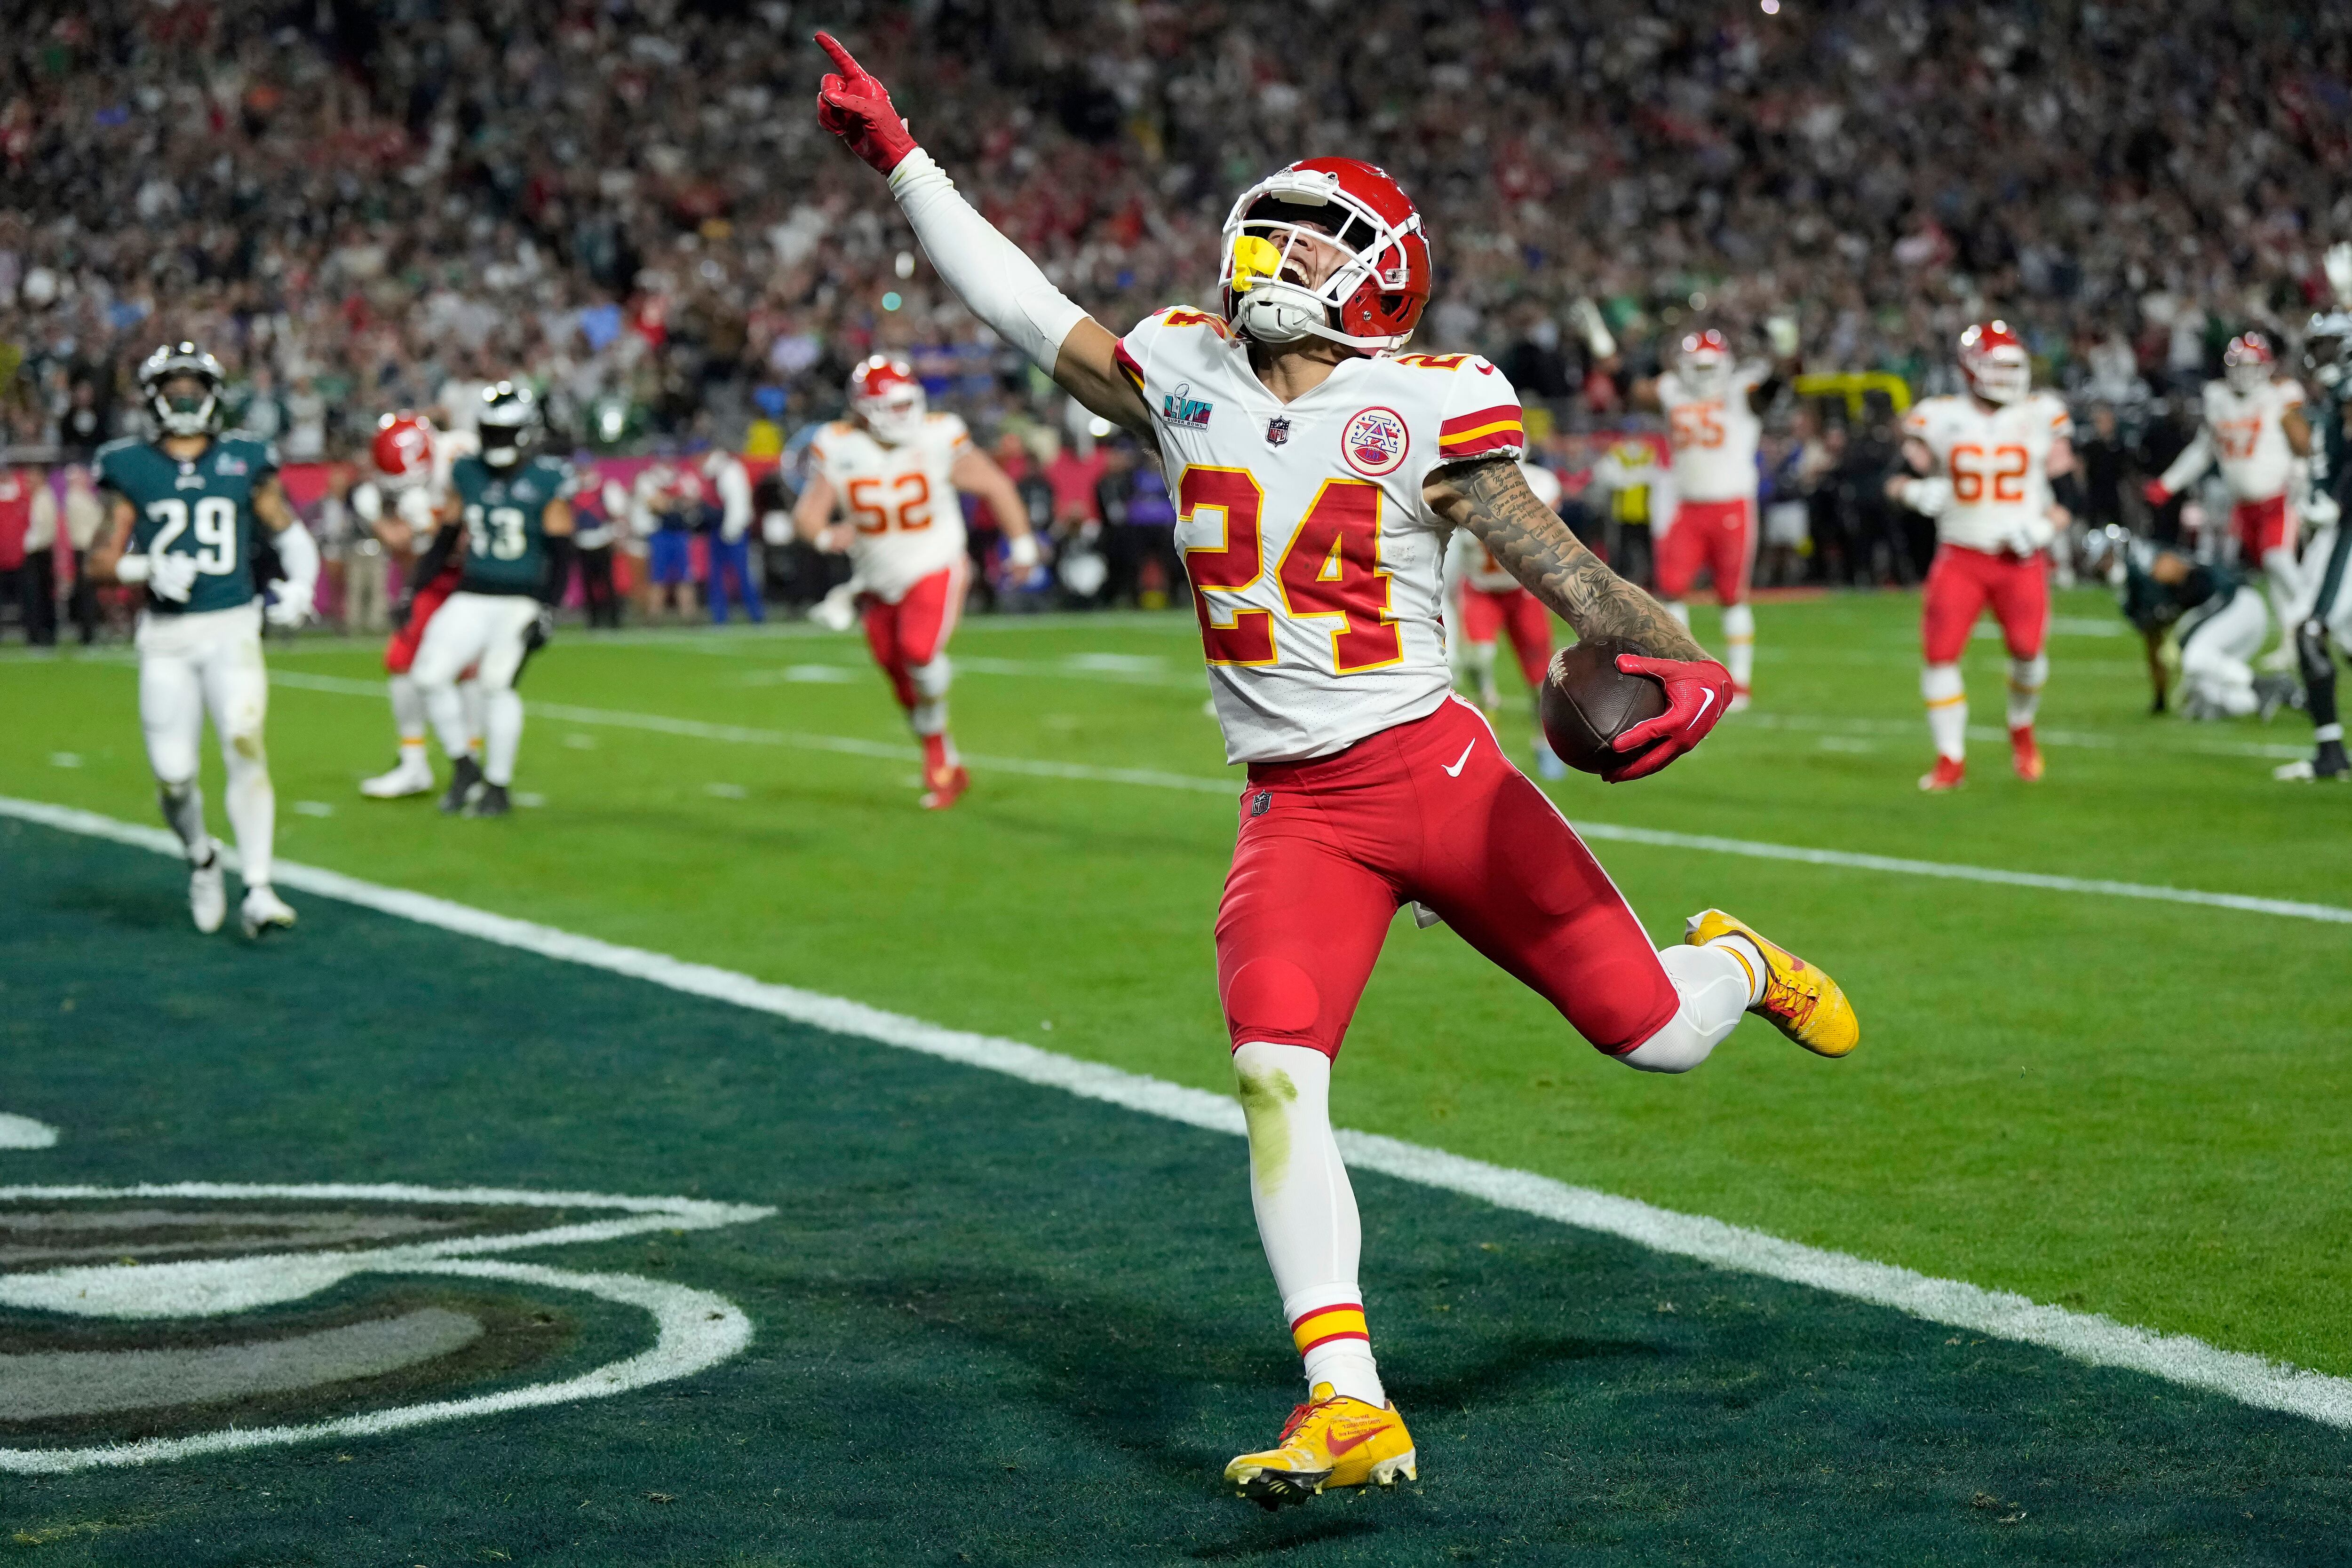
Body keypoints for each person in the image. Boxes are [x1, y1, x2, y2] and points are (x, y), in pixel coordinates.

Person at [815, 33, 1858, 1507]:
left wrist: (1675, 652)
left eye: (1313, 233)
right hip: (1294, 807)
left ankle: (1734, 964)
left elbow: (1563, 574)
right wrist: (905, 161)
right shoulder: (1180, 368)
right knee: (1271, 1070)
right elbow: (1020, 305)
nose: (1275, 247)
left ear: (1376, 271)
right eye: (1274, 221)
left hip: (1438, 776)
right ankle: (1347, 1396)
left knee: (1654, 1036)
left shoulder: (1426, 401)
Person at [84, 342, 319, 937]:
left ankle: (260, 887)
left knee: (244, 740)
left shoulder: (245, 458)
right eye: (172, 386)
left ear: (214, 393)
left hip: (231, 627)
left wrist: (301, 587)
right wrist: (145, 570)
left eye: (193, 384)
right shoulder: (130, 464)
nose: (183, 396)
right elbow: (99, 561)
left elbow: (289, 534)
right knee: (174, 774)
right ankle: (201, 856)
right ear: (153, 397)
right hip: (166, 636)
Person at [792, 353, 1038, 809]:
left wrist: (1022, 546)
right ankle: (941, 757)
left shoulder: (938, 434)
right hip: (875, 577)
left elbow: (995, 485)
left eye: (908, 405)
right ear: (862, 407)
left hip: (935, 561)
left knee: (919, 650)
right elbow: (807, 514)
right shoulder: (838, 443)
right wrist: (827, 535)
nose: (904, 417)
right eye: (892, 407)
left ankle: (938, 752)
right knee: (896, 671)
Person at [1886, 321, 2082, 792]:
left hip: (2019, 559)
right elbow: (1893, 480)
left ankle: (2021, 726)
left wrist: (2042, 526)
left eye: (2014, 365)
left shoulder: (2041, 414)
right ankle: (1949, 758)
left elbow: (2072, 496)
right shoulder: (1937, 417)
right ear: (1970, 368)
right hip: (1959, 555)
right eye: (1999, 365)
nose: (2010, 375)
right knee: (1939, 656)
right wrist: (1912, 494)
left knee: (2028, 655)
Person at [409, 382, 575, 817]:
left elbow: (562, 552)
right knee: (428, 675)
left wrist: (548, 609)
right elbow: (447, 536)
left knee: (496, 686)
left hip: (520, 599)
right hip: (472, 592)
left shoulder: (546, 478)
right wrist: (416, 589)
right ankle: (465, 765)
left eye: (504, 433)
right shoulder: (467, 471)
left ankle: (498, 786)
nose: (496, 442)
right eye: (491, 432)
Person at [1624, 327, 1794, 710]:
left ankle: (1742, 682)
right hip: (1687, 505)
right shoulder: (1671, 389)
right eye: (1696, 368)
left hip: (1731, 505)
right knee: (1671, 590)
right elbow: (1635, 393)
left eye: (1708, 368)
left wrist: (1785, 356)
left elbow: (1771, 393)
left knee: (1733, 597)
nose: (1702, 376)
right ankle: (1683, 671)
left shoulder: (1741, 390)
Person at [2141, 333, 2313, 652]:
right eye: (2239, 365)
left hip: (2279, 497)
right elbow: (2204, 449)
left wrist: (2302, 482)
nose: (2245, 373)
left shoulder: (2279, 395)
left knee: (2279, 562)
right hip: (2244, 504)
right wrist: (2169, 483)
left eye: (2252, 365)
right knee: (2272, 572)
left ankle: (2315, 614)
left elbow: (2303, 443)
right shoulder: (2217, 398)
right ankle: (2294, 642)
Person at [355, 412, 484, 800]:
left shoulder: (463, 458)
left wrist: (429, 530)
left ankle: (473, 763)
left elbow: (467, 537)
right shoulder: (387, 486)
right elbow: (415, 557)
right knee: (401, 658)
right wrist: (389, 529)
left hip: (474, 576)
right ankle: (413, 763)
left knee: (468, 669)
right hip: (435, 577)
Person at [1445, 459, 1568, 778]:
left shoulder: (1538, 484)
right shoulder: (1460, 485)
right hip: (1480, 590)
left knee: (1541, 679)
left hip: (1522, 592)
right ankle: (1489, 711)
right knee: (1479, 660)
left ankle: (1544, 742)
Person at [2087, 526, 2283, 719]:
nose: (2104, 569)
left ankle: (2263, 685)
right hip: (2223, 613)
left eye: (2105, 560)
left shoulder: (2154, 564)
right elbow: (2153, 643)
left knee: (2195, 658)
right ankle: (2282, 696)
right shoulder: (2135, 594)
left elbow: (2194, 582)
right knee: (2205, 697)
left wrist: (2182, 631)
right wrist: (2160, 699)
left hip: (2237, 604)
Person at [2275, 296, 2352, 782]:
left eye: (2326, 347)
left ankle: (2329, 754)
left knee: (2308, 630)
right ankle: (2329, 753)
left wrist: (2337, 503)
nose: (2317, 357)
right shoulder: (2328, 398)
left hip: (2343, 529)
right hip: (2331, 527)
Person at [701, 445, 762, 623]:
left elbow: (738, 503)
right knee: (717, 576)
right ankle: (720, 618)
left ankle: (756, 615)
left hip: (732, 530)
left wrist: (732, 529)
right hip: (719, 528)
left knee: (742, 574)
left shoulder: (729, 470)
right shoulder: (713, 472)